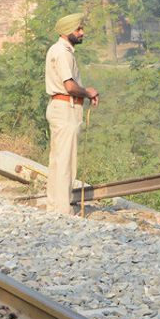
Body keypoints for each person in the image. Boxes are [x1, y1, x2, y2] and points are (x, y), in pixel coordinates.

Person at [43, 12, 99, 214]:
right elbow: (70, 86)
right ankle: (62, 210)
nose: (82, 33)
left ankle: (54, 207)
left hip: (61, 108)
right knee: (66, 162)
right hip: (65, 108)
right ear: (68, 31)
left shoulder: (58, 50)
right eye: (78, 29)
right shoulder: (63, 53)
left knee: (58, 161)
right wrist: (88, 92)